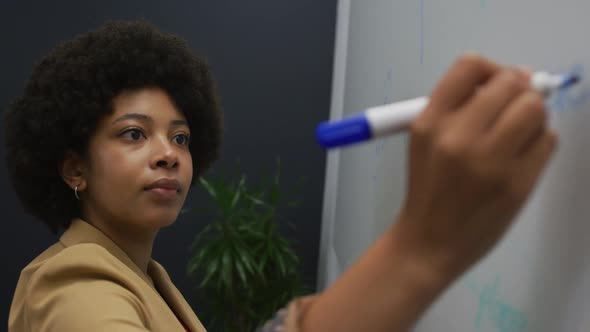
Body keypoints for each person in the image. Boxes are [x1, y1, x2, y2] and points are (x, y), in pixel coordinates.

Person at [4, 20, 556, 332]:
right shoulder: (75, 287)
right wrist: (419, 250)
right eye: (133, 134)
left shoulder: (141, 275)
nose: (168, 154)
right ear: (74, 166)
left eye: (180, 138)